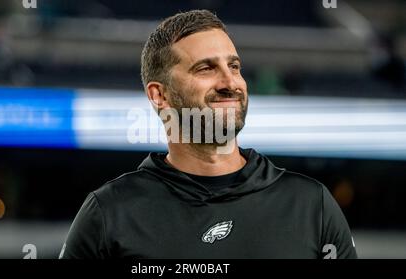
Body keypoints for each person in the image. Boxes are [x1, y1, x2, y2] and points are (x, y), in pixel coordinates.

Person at [59, 9, 357, 259]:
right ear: (159, 95)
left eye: (234, 66)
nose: (230, 82)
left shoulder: (311, 205)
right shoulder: (109, 212)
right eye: (206, 68)